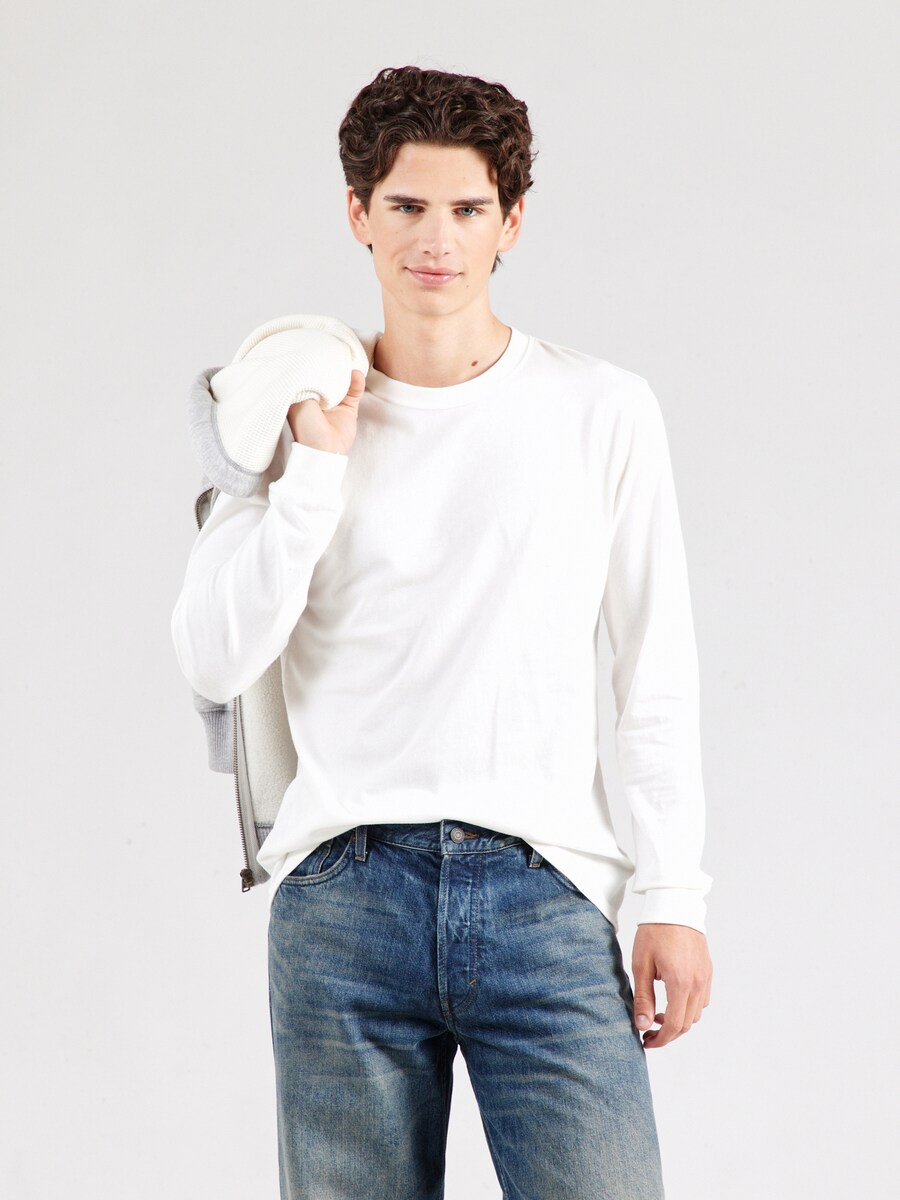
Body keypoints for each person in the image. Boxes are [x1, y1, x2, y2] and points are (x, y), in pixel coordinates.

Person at [171, 64, 714, 1200]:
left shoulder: (602, 409)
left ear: (511, 222)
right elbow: (213, 658)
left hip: (545, 891)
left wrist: (673, 895)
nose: (436, 239)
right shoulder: (288, 410)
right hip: (345, 899)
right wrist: (313, 474)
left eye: (468, 209)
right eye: (407, 205)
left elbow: (653, 671)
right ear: (358, 213)